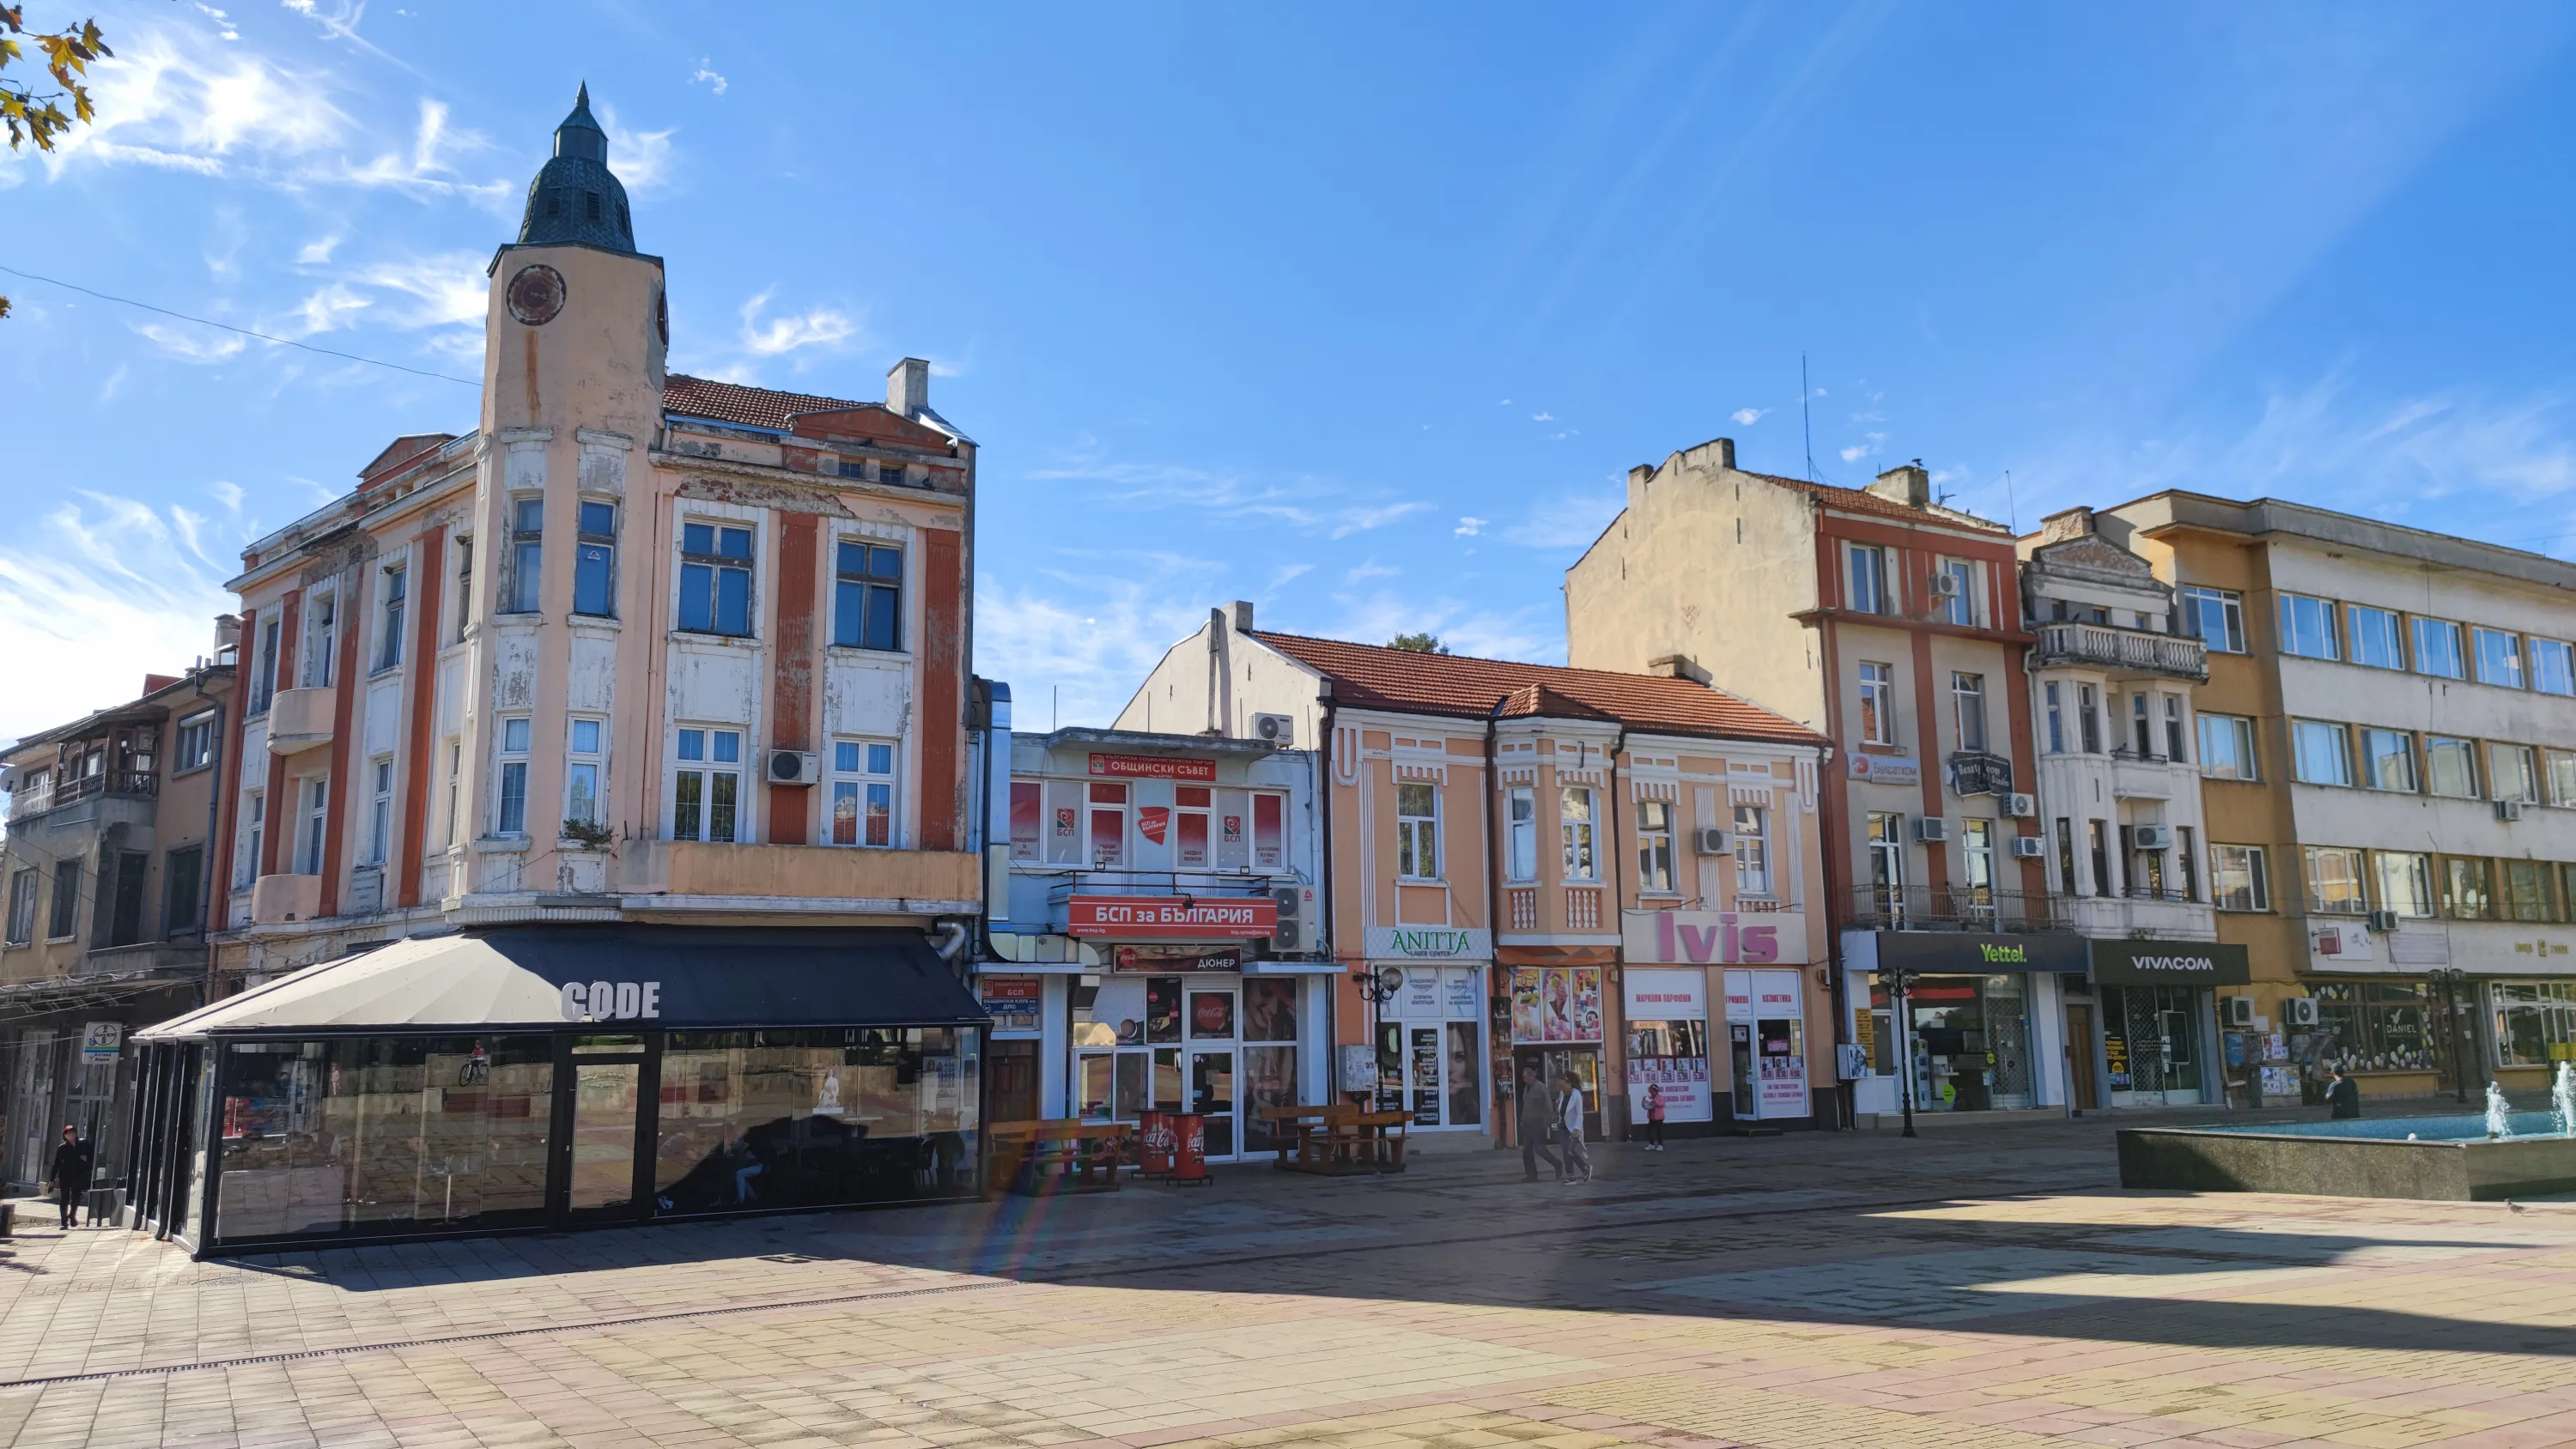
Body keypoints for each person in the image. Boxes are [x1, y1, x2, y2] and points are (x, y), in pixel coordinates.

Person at [1516, 1065, 1559, 1182]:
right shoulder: (1526, 1088)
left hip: (1538, 1123)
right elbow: (1526, 1106)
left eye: (1525, 1077)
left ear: (1532, 1076)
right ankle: (1531, 1175)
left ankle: (1557, 1164)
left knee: (1540, 1149)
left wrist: (1547, 1121)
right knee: (1526, 1151)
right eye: (1523, 1078)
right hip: (1528, 1124)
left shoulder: (1541, 1087)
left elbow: (1549, 1105)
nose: (1524, 1080)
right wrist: (1522, 1120)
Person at [46, 1125, 92, 1230]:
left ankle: (72, 1215)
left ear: (76, 1134)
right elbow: (56, 1164)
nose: (71, 1135)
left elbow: (91, 1157)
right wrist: (51, 1179)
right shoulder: (62, 1148)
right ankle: (64, 1221)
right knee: (64, 1198)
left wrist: (86, 1161)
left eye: (73, 1132)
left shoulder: (82, 1146)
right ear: (65, 1136)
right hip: (65, 1176)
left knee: (76, 1197)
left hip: (78, 1175)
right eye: (69, 1133)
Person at [1558, 1073, 1593, 1185]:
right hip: (1563, 1126)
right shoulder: (1562, 1094)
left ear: (1570, 1084)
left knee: (1570, 1150)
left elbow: (1579, 1114)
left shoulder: (1576, 1095)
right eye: (1559, 1086)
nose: (1561, 1089)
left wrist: (1576, 1129)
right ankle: (1571, 1176)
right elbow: (1562, 1110)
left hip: (1573, 1128)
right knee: (1566, 1152)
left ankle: (1584, 1168)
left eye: (1563, 1086)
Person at [1643, 1082, 1667, 1151]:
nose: (1651, 1093)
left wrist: (1654, 1102)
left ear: (1656, 1091)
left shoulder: (1660, 1097)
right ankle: (1651, 1144)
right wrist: (1644, 1101)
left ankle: (1660, 1145)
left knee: (1659, 1131)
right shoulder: (1650, 1097)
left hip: (1659, 1118)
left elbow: (1662, 1104)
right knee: (1649, 1130)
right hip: (1652, 1117)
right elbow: (1646, 1106)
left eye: (1652, 1091)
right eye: (1650, 1091)